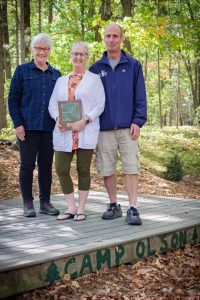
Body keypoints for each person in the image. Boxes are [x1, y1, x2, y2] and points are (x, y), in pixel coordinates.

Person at [90, 24, 147, 225]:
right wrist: (92, 129)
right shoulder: (95, 69)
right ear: (104, 39)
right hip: (104, 129)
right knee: (106, 168)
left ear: (121, 39)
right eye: (108, 36)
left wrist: (138, 121)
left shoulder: (133, 65)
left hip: (127, 127)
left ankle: (133, 207)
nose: (112, 39)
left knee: (131, 167)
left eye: (115, 36)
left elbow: (140, 96)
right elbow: (90, 102)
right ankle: (113, 205)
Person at [48, 41, 105, 221]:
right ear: (71, 56)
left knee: (83, 170)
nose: (78, 57)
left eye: (82, 54)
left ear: (87, 57)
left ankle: (81, 208)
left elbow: (99, 105)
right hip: (64, 132)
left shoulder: (94, 80)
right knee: (61, 168)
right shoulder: (60, 81)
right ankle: (70, 207)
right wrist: (58, 118)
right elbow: (52, 105)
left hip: (85, 131)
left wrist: (85, 120)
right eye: (75, 54)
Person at [8, 33, 61, 217]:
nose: (42, 52)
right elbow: (12, 99)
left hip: (49, 128)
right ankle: (28, 203)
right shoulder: (22, 71)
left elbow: (63, 101)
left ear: (49, 51)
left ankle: (45, 202)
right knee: (27, 165)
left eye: (45, 49)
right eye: (38, 48)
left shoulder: (57, 75)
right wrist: (18, 124)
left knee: (46, 165)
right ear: (33, 50)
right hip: (27, 128)